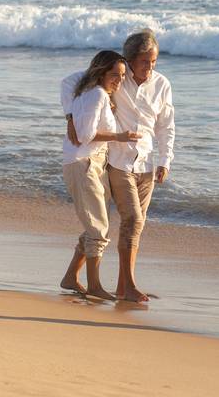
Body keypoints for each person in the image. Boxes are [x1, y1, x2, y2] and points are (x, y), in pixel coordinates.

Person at [61, 29, 175, 302]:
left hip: (146, 162)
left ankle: (118, 285)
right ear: (131, 59)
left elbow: (166, 125)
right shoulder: (116, 77)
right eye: (145, 61)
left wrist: (165, 159)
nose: (150, 67)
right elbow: (70, 82)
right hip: (117, 161)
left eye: (154, 61)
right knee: (130, 221)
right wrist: (70, 117)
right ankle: (128, 285)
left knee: (127, 224)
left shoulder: (161, 84)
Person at [59, 50, 142, 301]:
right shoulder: (95, 94)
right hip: (83, 163)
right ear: (100, 73)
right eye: (114, 75)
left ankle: (71, 277)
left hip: (93, 162)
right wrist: (120, 136)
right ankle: (94, 285)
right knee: (98, 228)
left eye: (122, 76)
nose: (119, 81)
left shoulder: (94, 92)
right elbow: (85, 136)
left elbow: (67, 81)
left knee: (96, 223)